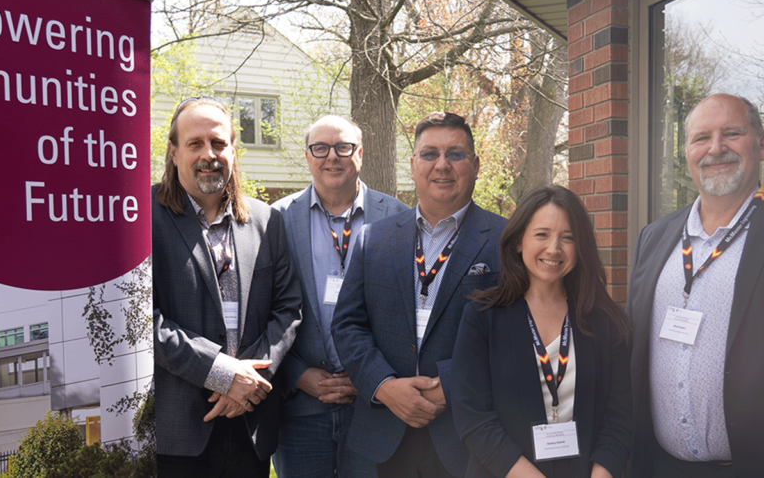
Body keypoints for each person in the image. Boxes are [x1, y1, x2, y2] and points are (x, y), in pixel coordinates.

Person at [627, 93, 764, 477]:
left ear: (761, 145)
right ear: (686, 153)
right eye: (701, 138)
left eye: (731, 133)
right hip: (660, 467)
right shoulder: (653, 238)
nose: (716, 148)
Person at [332, 112, 508, 477]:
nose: (441, 165)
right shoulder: (373, 239)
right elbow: (347, 325)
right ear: (413, 165)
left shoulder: (508, 241)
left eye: (455, 154)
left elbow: (517, 333)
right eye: (429, 154)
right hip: (383, 434)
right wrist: (384, 386)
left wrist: (457, 384)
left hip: (469, 435)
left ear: (475, 165)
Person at [154, 97, 303, 477]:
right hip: (179, 433)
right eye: (195, 144)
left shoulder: (267, 220)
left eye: (219, 143)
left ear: (233, 150)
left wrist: (251, 380)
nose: (209, 154)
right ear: (173, 152)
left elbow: (287, 310)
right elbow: (141, 322)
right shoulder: (142, 218)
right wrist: (222, 373)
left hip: (251, 428)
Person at [451, 185, 632, 478]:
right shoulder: (483, 317)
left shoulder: (603, 321)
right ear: (519, 241)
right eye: (542, 234)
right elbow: (472, 417)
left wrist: (602, 474)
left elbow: (619, 418)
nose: (554, 248)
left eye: (568, 237)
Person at [272, 115, 409, 477]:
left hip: (374, 409)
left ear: (359, 153)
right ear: (307, 156)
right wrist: (297, 374)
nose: (332, 157)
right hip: (300, 407)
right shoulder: (277, 220)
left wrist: (369, 377)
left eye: (343, 147)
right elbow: (264, 311)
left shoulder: (398, 217)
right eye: (321, 148)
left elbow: (404, 314)